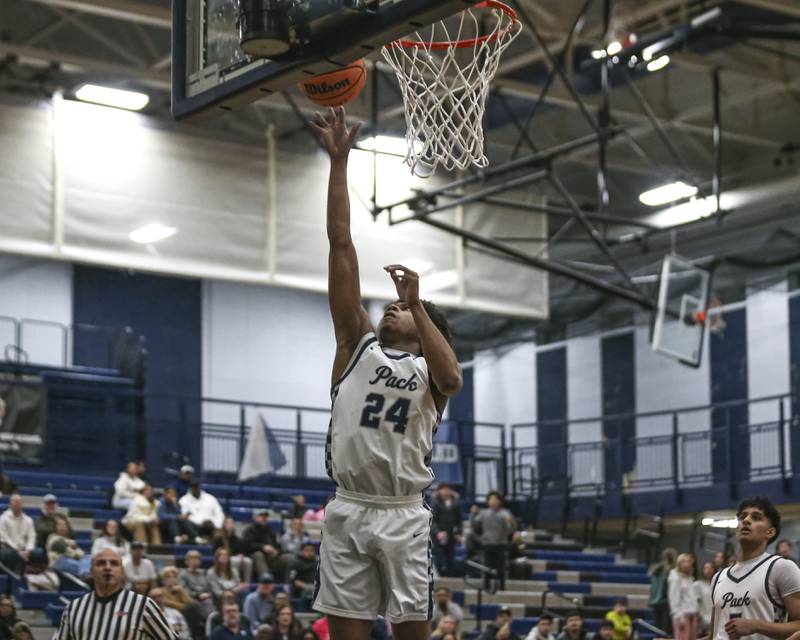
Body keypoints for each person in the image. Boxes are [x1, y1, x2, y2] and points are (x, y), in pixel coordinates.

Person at [309, 105, 462, 640]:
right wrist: (338, 163)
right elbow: (341, 245)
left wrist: (417, 304)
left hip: (403, 514)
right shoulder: (356, 345)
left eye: (403, 312)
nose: (390, 309)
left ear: (424, 331)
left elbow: (453, 380)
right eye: (392, 307)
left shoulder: (430, 372)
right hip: (349, 508)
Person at [709, 496, 800, 640]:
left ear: (770, 532)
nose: (746, 520)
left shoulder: (781, 568)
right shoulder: (718, 577)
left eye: (756, 517)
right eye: (742, 517)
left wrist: (757, 626)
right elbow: (713, 636)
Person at [54, 548, 176, 639]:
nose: (107, 567)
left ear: (122, 572)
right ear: (91, 572)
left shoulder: (143, 605)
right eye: (101, 563)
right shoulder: (74, 608)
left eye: (114, 563)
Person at [470, 492, 515, 590]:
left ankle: (502, 586)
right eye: (491, 499)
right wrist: (473, 515)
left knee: (501, 567)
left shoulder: (505, 513)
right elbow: (474, 525)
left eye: (495, 499)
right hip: (487, 544)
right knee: (487, 566)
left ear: (499, 501)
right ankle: (486, 586)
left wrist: (509, 524)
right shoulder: (483, 513)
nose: (493, 501)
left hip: (501, 544)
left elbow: (511, 529)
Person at [430, 484, 462, 577]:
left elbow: (458, 520)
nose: (446, 492)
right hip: (438, 534)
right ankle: (441, 574)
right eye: (443, 490)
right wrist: (438, 532)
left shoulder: (456, 502)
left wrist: (458, 532)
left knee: (450, 555)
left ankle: (450, 574)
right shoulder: (435, 503)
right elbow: (433, 520)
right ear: (439, 491)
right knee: (440, 554)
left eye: (448, 489)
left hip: (451, 534)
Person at [0, 494, 36, 573]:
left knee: (39, 552)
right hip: (8, 548)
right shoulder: (3, 518)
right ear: (10, 504)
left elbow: (32, 537)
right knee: (9, 554)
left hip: (24, 549)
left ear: (22, 504)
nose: (16, 504)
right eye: (14, 501)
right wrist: (18, 551)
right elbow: (4, 537)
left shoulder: (28, 520)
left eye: (18, 502)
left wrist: (28, 550)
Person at [243, 510, 282, 578]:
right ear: (256, 517)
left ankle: (287, 583)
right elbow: (247, 545)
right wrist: (262, 547)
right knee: (259, 555)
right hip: (253, 555)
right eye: (262, 516)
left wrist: (276, 550)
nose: (264, 518)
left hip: (269, 555)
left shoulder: (269, 530)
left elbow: (276, 544)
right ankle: (266, 579)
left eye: (266, 517)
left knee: (286, 558)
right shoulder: (249, 529)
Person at [214, 517, 253, 584]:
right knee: (235, 560)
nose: (230, 525)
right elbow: (216, 551)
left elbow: (241, 550)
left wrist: (241, 554)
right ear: (224, 525)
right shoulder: (219, 537)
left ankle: (247, 583)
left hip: (235, 557)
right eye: (228, 523)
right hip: (224, 557)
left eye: (231, 523)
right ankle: (235, 582)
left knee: (248, 561)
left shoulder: (236, 539)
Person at [670, 553, 699, 640]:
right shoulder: (675, 578)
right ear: (679, 564)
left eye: (688, 561)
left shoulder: (690, 578)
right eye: (684, 562)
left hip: (692, 614)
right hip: (682, 616)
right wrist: (679, 616)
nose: (687, 564)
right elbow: (674, 598)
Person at [648, 547, 677, 635]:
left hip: (656, 601)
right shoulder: (673, 571)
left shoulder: (656, 570)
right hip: (667, 602)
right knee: (666, 630)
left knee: (658, 628)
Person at [179, 549, 216, 615]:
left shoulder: (204, 573)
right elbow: (184, 590)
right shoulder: (183, 574)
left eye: (197, 559)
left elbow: (210, 587)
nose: (195, 561)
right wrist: (197, 595)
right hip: (191, 599)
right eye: (192, 559)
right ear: (187, 561)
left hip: (206, 598)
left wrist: (208, 594)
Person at [695, 561, 715, 637]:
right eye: (706, 568)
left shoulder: (717, 584)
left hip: (714, 622)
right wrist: (704, 620)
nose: (708, 570)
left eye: (711, 568)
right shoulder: (697, 584)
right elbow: (697, 605)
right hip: (703, 623)